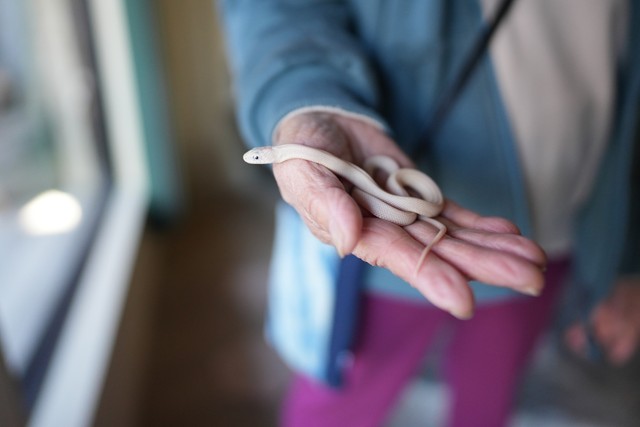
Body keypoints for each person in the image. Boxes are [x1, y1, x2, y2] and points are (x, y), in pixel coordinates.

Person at [218, 1, 640, 426]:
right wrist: (302, 98)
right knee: (347, 388)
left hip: (567, 208)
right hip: (394, 252)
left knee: (491, 383)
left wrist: (625, 253)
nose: (258, 160)